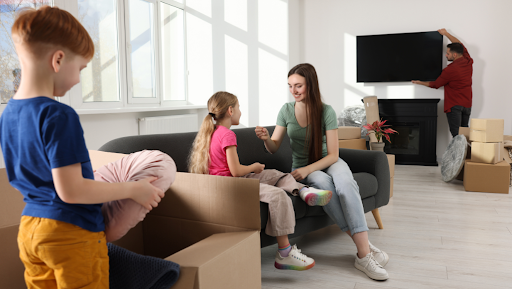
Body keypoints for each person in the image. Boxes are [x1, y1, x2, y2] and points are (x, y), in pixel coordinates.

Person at [0, 6, 164, 288]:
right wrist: (134, 189)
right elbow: (72, 190)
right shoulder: (58, 115)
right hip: (70, 232)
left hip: (30, 229)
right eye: (80, 68)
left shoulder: (9, 114)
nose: (78, 79)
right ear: (59, 59)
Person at [255, 63, 390, 281]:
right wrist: (265, 140)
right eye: (290, 86)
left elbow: (334, 155)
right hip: (304, 170)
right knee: (326, 187)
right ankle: (364, 252)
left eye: (298, 85)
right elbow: (273, 147)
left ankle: (362, 251)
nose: (293, 91)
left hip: (326, 161)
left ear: (311, 84)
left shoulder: (325, 111)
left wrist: (306, 168)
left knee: (347, 185)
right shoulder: (286, 110)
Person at [188, 91, 333, 271]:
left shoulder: (213, 132)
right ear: (231, 110)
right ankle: (285, 253)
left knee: (275, 174)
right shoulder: (227, 135)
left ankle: (304, 191)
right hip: (232, 185)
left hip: (230, 181)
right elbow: (236, 171)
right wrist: (253, 167)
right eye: (239, 107)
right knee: (278, 195)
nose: (241, 112)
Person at [412, 28, 473, 137]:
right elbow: (458, 44)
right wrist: (446, 33)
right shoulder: (467, 60)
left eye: (447, 53)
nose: (446, 55)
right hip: (467, 104)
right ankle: (467, 154)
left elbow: (435, 84)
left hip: (455, 105)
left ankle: (458, 154)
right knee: (465, 134)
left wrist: (420, 82)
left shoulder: (449, 70)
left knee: (456, 135)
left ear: (454, 55)